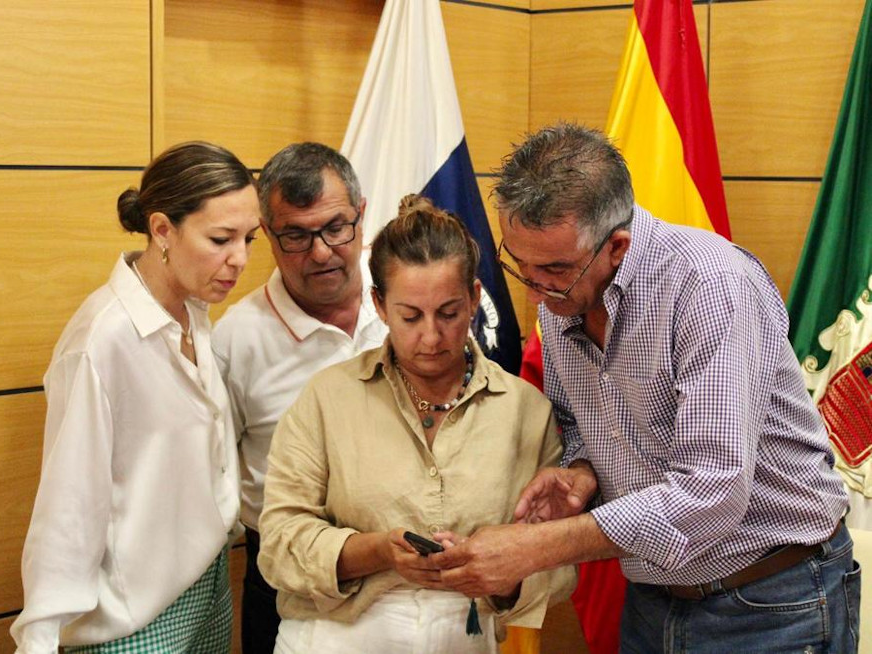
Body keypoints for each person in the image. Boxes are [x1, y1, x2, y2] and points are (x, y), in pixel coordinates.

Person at [432, 123, 860, 653]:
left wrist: (536, 547)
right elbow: (578, 422)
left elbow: (712, 490)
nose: (536, 293)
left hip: (770, 600)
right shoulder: (564, 299)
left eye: (554, 270)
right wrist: (582, 473)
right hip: (653, 598)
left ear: (617, 246)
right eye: (521, 266)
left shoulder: (710, 286)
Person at [257, 195, 576, 654]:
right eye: (410, 316)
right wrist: (377, 552)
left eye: (448, 313)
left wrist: (499, 573)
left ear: (475, 298)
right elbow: (278, 544)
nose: (431, 336)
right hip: (334, 634)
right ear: (380, 305)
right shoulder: (327, 397)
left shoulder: (525, 410)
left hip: (465, 637)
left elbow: (558, 565)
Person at [11, 141, 261, 654]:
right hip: (134, 617)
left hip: (207, 584)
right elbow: (69, 505)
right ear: (162, 230)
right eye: (221, 239)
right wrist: (39, 639)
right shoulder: (101, 341)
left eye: (249, 239)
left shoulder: (193, 308)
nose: (240, 259)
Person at [210, 142, 387, 654]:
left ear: (361, 214)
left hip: (403, 573)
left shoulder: (408, 297)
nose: (321, 252)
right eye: (296, 235)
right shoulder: (235, 340)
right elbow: (212, 476)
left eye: (335, 227)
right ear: (267, 234)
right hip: (285, 578)